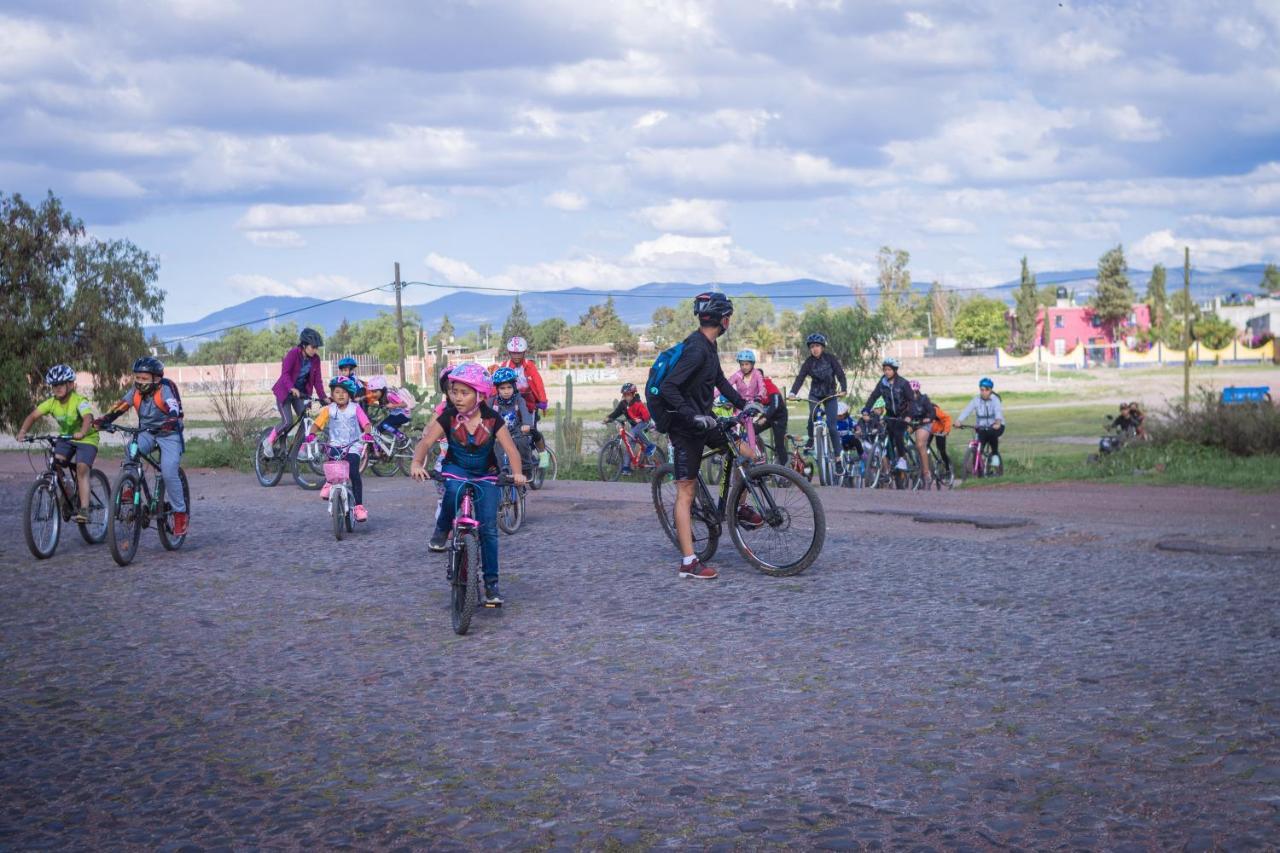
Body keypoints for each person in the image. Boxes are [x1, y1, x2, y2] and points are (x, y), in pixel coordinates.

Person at [655, 292, 763, 580]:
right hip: (685, 427)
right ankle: (689, 562)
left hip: (705, 421)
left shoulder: (709, 347)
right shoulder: (695, 349)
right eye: (728, 316)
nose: (729, 321)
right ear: (722, 319)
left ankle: (739, 506)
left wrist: (743, 404)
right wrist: (691, 416)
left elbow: (718, 381)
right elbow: (669, 388)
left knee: (746, 452)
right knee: (685, 491)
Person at [411, 363, 528, 606]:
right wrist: (416, 463)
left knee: (489, 531)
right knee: (452, 491)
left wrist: (517, 474)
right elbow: (426, 442)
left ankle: (492, 586)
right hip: (456, 469)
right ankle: (442, 529)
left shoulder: (493, 419)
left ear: (480, 395)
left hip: (487, 474)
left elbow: (511, 450)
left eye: (464, 393)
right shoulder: (448, 416)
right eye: (454, 392)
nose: (457, 397)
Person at [96, 356, 188, 536]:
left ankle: (180, 513)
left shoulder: (166, 389)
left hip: (169, 434)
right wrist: (105, 419)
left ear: (157, 379)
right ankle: (130, 485)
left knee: (169, 472)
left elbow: (173, 407)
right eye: (137, 378)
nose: (139, 382)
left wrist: (171, 419)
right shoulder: (136, 392)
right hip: (147, 432)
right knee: (131, 449)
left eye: (144, 378)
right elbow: (121, 406)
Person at [15, 364, 99, 523]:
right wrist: (23, 432)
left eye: (61, 384)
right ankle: (67, 494)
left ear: (70, 384)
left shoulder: (79, 400)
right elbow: (33, 416)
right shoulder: (51, 402)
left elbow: (88, 417)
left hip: (87, 438)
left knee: (81, 468)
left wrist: (82, 431)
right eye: (54, 386)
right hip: (67, 438)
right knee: (55, 464)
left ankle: (85, 510)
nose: (57, 388)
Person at [306, 377, 373, 522]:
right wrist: (312, 434)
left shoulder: (355, 408)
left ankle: (359, 507)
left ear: (350, 394)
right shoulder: (328, 410)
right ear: (332, 395)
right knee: (332, 466)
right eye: (337, 392)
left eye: (344, 392)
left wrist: (367, 433)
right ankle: (329, 483)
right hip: (335, 445)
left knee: (354, 473)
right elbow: (317, 424)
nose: (341, 395)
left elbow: (366, 424)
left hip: (353, 445)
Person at [264, 328, 327, 457]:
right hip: (285, 392)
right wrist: (292, 388)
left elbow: (317, 381)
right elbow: (285, 374)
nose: (315, 350)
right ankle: (268, 442)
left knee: (306, 420)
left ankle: (298, 450)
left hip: (301, 394)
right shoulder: (293, 354)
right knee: (288, 421)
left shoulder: (315, 359)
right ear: (304, 345)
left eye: (317, 348)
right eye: (313, 347)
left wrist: (323, 397)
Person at [788, 333, 847, 456]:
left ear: (822, 347)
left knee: (831, 426)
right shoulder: (808, 362)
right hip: (815, 395)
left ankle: (838, 456)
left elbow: (840, 374)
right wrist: (793, 392)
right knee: (813, 415)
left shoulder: (830, 359)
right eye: (812, 346)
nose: (814, 349)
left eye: (817, 346)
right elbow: (800, 378)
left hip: (830, 395)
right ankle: (811, 439)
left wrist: (844, 389)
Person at [492, 336, 549, 462]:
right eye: (513, 353)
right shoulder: (505, 365)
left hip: (528, 404)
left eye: (519, 353)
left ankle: (542, 453)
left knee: (530, 430)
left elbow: (538, 383)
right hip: (509, 403)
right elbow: (496, 383)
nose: (516, 355)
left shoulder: (530, 366)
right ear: (509, 352)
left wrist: (543, 400)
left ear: (524, 352)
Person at [861, 357, 915, 473]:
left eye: (889, 370)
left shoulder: (903, 383)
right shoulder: (882, 383)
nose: (886, 372)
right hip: (890, 414)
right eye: (885, 369)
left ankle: (902, 459)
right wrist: (866, 409)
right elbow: (873, 396)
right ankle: (890, 461)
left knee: (898, 433)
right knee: (887, 436)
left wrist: (909, 416)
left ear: (895, 370)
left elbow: (912, 401)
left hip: (903, 415)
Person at [603, 382, 657, 474]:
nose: (626, 397)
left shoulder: (638, 403)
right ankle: (626, 467)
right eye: (624, 395)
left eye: (628, 395)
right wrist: (608, 419)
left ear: (633, 394)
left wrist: (642, 419)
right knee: (629, 443)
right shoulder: (623, 404)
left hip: (645, 422)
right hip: (635, 426)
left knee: (635, 431)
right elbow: (616, 413)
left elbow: (647, 415)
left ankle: (650, 446)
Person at [492, 366, 536, 475]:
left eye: (509, 387)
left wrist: (526, 424)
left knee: (522, 442)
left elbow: (525, 412)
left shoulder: (519, 399)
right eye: (502, 388)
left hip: (516, 430)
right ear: (497, 389)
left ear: (514, 387)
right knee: (496, 446)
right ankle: (500, 468)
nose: (506, 391)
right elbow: (485, 415)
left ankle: (526, 466)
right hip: (500, 432)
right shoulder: (493, 402)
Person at [957, 377, 1005, 467]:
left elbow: (998, 412)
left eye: (986, 390)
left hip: (996, 426)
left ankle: (995, 455)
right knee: (979, 447)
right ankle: (978, 467)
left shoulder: (995, 400)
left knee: (992, 434)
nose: (983, 392)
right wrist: (959, 420)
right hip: (982, 427)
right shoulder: (976, 400)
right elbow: (967, 410)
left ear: (990, 390)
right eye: (981, 390)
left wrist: (998, 423)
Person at [905, 379, 936, 482]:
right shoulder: (906, 401)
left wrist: (929, 418)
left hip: (924, 423)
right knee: (901, 437)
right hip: (913, 423)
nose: (912, 395)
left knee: (920, 444)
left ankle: (926, 472)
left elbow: (932, 412)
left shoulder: (924, 399)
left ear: (917, 391)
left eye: (914, 392)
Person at [756, 371, 789, 466]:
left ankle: (785, 472)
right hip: (768, 415)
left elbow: (775, 405)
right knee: (752, 431)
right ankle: (760, 455)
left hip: (779, 416)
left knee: (779, 445)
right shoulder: (754, 388)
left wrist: (765, 418)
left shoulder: (769, 385)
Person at [929, 395, 954, 479]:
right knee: (923, 446)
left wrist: (946, 431)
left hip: (940, 430)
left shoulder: (935, 410)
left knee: (942, 450)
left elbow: (947, 418)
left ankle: (947, 469)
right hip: (929, 430)